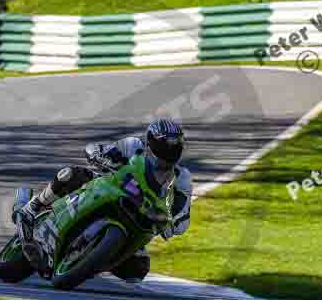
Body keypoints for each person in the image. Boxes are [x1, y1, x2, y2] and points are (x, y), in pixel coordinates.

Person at [13, 118, 193, 282]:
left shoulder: (182, 177)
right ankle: (31, 208)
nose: (170, 150)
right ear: (152, 142)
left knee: (138, 269)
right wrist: (100, 157)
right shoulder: (133, 146)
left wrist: (172, 222)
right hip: (111, 189)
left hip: (140, 217)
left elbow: (182, 215)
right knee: (71, 174)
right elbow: (95, 149)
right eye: (166, 145)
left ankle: (89, 259)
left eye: (175, 146)